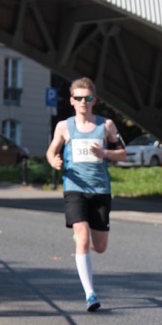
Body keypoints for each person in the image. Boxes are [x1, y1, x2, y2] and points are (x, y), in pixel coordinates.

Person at [46, 78, 127, 311]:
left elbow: (123, 153)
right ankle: (90, 294)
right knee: (82, 237)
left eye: (87, 98)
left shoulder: (106, 125)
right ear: (72, 100)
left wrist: (105, 153)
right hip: (74, 188)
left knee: (100, 246)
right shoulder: (64, 126)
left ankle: (83, 242)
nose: (83, 102)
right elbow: (51, 152)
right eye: (79, 98)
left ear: (94, 100)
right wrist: (54, 161)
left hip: (100, 190)